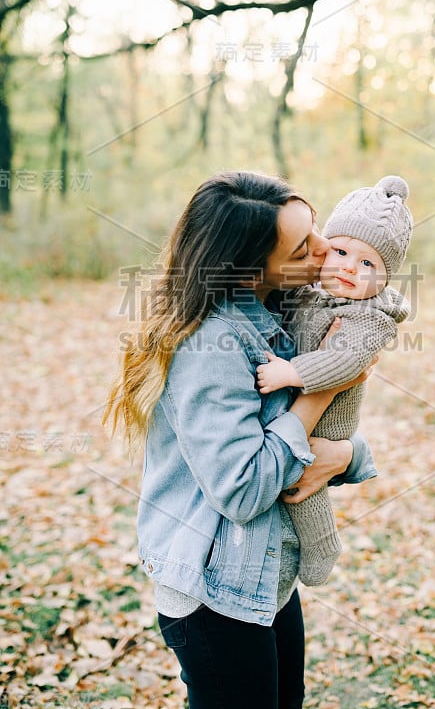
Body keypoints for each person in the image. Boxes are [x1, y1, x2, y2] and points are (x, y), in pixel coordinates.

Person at [104, 171, 378, 709]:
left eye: (316, 227)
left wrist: (347, 455)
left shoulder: (281, 308)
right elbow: (244, 488)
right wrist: (323, 389)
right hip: (216, 593)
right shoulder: (211, 343)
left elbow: (318, 438)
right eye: (303, 247)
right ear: (250, 270)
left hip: (265, 572)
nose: (327, 251)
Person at [256, 175, 413, 586]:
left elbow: (347, 362)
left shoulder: (371, 316)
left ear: (385, 277)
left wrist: (292, 372)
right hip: (297, 407)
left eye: (367, 264)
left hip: (329, 420)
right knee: (293, 475)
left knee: (301, 483)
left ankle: (322, 541)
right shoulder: (309, 288)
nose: (348, 267)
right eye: (340, 251)